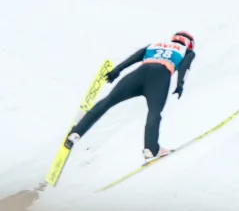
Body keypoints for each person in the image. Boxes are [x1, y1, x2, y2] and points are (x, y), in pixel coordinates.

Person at [65, 32, 196, 160]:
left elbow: (133, 58)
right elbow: (185, 67)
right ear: (189, 44)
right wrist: (180, 85)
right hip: (160, 77)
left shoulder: (154, 45)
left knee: (108, 101)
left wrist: (116, 70)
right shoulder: (187, 52)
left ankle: (76, 132)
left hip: (139, 74)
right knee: (154, 112)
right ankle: (151, 149)